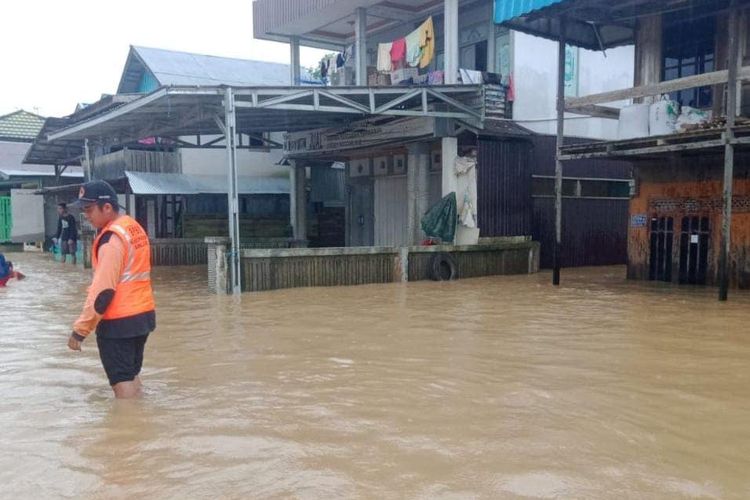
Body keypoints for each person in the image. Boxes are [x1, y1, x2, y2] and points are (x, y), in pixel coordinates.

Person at [67, 180, 156, 398]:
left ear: (107, 207)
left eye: (89, 209)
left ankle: (128, 428)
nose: (86, 216)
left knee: (120, 380)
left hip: (119, 322)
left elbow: (102, 292)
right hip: (142, 316)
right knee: (131, 373)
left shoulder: (111, 239)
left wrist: (80, 331)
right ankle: (140, 420)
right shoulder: (132, 228)